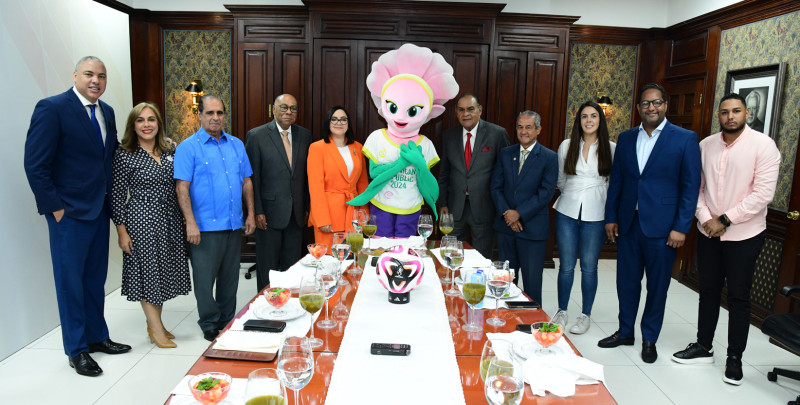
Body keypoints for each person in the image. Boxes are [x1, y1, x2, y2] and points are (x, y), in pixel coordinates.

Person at [24, 56, 131, 377]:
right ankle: (76, 349)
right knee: (70, 283)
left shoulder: (107, 112)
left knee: (93, 280)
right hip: (68, 215)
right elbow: (35, 165)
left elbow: (108, 157)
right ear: (75, 76)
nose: (95, 80)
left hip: (99, 210)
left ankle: (97, 337)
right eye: (89, 74)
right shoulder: (52, 107)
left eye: (101, 75)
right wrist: (55, 208)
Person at [671, 93, 780, 385]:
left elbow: (762, 194)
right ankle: (703, 346)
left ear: (746, 114)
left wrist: (725, 219)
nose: (730, 116)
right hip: (709, 232)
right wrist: (706, 218)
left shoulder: (763, 146)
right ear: (718, 116)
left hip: (745, 235)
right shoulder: (706, 146)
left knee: (738, 297)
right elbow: (696, 187)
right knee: (707, 291)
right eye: (724, 112)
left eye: (736, 111)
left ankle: (734, 357)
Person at [598, 83, 701, 364]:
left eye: (656, 103)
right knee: (626, 283)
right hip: (629, 225)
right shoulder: (627, 138)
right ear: (639, 108)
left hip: (664, 229)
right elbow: (617, 182)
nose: (651, 108)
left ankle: (650, 338)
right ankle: (625, 331)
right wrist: (611, 217)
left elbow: (690, 187)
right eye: (645, 103)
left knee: (657, 287)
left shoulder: (685, 139)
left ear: (665, 105)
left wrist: (681, 227)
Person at [174, 94, 255, 342]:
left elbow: (246, 181)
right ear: (199, 115)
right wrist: (190, 222)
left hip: (233, 224)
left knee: (230, 278)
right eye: (210, 113)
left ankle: (226, 319)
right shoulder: (188, 147)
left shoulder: (237, 145)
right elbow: (182, 188)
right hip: (204, 227)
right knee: (204, 278)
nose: (215, 117)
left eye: (219, 113)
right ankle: (209, 322)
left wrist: (250, 213)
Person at [111, 102, 191, 349]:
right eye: (140, 120)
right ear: (132, 126)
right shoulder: (125, 154)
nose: (146, 125)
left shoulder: (170, 149)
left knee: (162, 271)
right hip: (141, 219)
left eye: (151, 120)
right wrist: (121, 231)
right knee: (148, 273)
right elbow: (116, 196)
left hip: (169, 219)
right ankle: (156, 329)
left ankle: (155, 322)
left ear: (158, 123)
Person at [551, 101, 616, 334]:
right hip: (567, 210)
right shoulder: (567, 145)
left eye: (594, 116)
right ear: (579, 121)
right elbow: (560, 179)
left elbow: (612, 183)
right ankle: (561, 312)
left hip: (596, 213)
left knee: (589, 267)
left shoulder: (611, 147)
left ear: (601, 120)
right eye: (584, 117)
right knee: (566, 266)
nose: (589, 120)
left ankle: (585, 315)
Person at [245, 94, 312, 291]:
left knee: (293, 268)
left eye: (293, 108)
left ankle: (290, 306)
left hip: (297, 214)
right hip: (268, 214)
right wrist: (257, 210)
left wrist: (307, 206)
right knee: (268, 268)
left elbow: (308, 176)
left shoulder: (305, 135)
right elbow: (252, 177)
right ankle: (266, 308)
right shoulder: (256, 136)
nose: (288, 112)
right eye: (283, 107)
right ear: (273, 109)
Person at [491, 111, 558, 304]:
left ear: (538, 130)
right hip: (505, 228)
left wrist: (518, 214)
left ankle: (531, 325)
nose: (524, 131)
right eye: (520, 127)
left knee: (532, 284)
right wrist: (507, 214)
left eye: (529, 127)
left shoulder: (549, 157)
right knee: (507, 282)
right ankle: (506, 320)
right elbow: (495, 187)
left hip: (532, 230)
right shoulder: (506, 153)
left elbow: (545, 193)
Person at [438, 94, 510, 259]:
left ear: (480, 110)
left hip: (485, 207)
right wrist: (442, 202)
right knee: (451, 255)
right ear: (456, 113)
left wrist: (503, 206)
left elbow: (506, 174)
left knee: (481, 259)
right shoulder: (449, 136)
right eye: (461, 110)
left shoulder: (497, 134)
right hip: (454, 208)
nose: (466, 114)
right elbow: (444, 174)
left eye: (470, 109)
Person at [307, 106, 369, 250]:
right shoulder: (317, 148)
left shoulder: (358, 147)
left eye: (343, 119)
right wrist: (322, 219)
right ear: (328, 123)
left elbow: (363, 185)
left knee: (352, 259)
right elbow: (315, 187)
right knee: (329, 260)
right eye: (334, 119)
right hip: (329, 214)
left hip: (353, 214)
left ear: (348, 123)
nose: (338, 123)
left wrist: (364, 216)